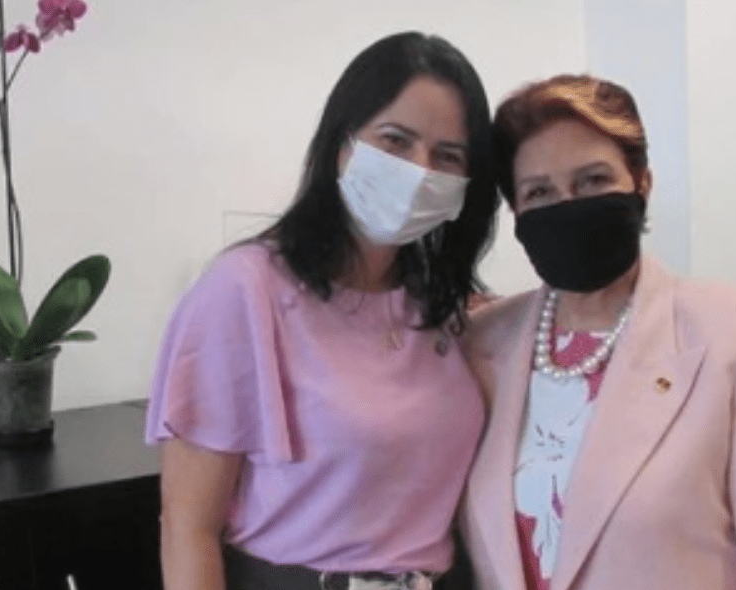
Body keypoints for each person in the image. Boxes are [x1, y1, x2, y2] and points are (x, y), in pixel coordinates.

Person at [145, 31, 498, 590]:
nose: (419, 170)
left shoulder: (441, 306)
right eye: (395, 141)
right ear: (342, 144)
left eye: (447, 156)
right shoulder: (243, 291)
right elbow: (188, 529)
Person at [459, 74, 736, 590]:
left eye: (593, 180)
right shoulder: (481, 341)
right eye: (539, 191)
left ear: (641, 183)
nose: (568, 204)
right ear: (516, 212)